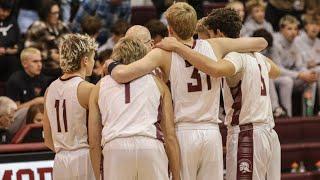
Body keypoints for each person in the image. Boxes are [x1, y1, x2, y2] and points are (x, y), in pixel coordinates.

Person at [106, 3, 267, 179]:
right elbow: (261, 42)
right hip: (212, 133)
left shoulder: (163, 53)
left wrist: (110, 63)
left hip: (184, 133)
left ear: (170, 30)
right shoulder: (216, 45)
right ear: (195, 25)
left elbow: (123, 74)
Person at [156, 8, 281, 180]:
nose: (204, 45)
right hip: (269, 133)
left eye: (206, 37)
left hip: (247, 133)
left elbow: (215, 69)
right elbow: (276, 72)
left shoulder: (233, 57)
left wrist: (178, 47)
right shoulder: (259, 58)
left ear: (218, 33)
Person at [89, 36, 180, 180]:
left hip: (116, 148)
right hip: (149, 146)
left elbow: (94, 141)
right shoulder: (158, 84)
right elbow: (170, 136)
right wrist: (177, 176)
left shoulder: (99, 87)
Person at [42, 33, 97, 180]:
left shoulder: (49, 89)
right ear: (85, 60)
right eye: (93, 58)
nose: (94, 62)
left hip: (60, 161)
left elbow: (47, 139)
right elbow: (97, 136)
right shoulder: (88, 89)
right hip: (85, 157)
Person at [272, 15, 317, 116]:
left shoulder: (295, 44)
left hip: (291, 76)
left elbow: (300, 65)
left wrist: (309, 73)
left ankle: (308, 116)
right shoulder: (275, 44)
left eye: (296, 29)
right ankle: (287, 116)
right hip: (274, 77)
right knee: (287, 81)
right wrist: (299, 75)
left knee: (311, 80)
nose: (293, 32)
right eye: (289, 28)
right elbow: (278, 69)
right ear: (281, 29)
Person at [25, 0, 70, 79]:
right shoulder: (38, 27)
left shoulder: (62, 26)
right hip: (45, 70)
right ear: (46, 14)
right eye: (54, 13)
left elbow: (71, 44)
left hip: (63, 68)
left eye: (58, 12)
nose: (57, 16)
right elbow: (29, 51)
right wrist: (50, 55)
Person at [0, 0, 20, 81]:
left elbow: (19, 42)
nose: (5, 14)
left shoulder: (13, 21)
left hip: (9, 55)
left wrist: (8, 50)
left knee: (13, 61)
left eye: (8, 11)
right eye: (3, 10)